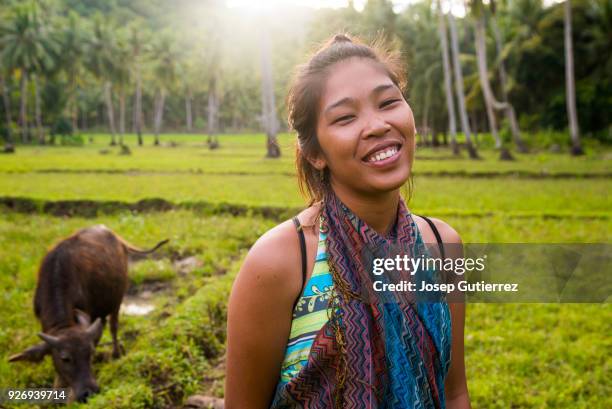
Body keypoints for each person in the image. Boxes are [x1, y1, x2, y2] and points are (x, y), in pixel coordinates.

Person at [225, 34, 470, 409]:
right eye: (345, 117)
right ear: (315, 152)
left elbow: (453, 393)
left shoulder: (441, 244)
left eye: (389, 102)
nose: (376, 125)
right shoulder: (280, 262)